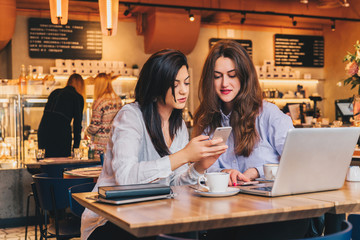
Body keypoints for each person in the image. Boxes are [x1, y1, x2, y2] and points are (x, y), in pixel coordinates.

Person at [81, 49, 228, 240]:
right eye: (176, 84)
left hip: (152, 217)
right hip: (111, 221)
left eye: (186, 82)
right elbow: (126, 178)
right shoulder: (130, 117)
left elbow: (173, 185)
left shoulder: (179, 127)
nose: (184, 90)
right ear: (157, 86)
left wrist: (199, 167)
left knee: (198, 232)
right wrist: (183, 156)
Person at [192, 40, 310, 239]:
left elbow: (300, 161)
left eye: (232, 75)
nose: (224, 84)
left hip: (276, 218)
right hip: (226, 217)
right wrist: (223, 172)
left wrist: (257, 170)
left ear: (244, 77)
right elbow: (200, 172)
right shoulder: (207, 122)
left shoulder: (268, 115)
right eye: (217, 76)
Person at [38, 73, 86, 158]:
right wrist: (76, 149)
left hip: (43, 132)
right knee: (60, 166)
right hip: (61, 135)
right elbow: (77, 125)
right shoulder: (78, 97)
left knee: (46, 164)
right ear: (81, 86)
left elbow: (46, 114)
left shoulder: (55, 92)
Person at [86, 73, 123, 155]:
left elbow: (94, 127)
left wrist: (87, 132)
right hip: (115, 144)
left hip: (101, 146)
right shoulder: (118, 101)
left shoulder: (99, 102)